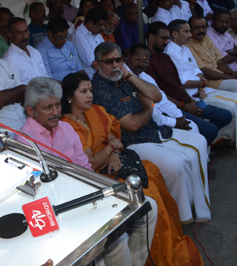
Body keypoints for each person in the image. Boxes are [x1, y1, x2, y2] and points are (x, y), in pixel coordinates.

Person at [60, 73, 205, 266]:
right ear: (70, 97)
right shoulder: (67, 125)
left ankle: (166, 245)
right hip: (96, 178)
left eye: (91, 91)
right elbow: (92, 162)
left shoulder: (97, 111)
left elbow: (115, 138)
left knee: (152, 175)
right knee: (146, 193)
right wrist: (111, 149)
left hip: (115, 164)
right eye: (83, 92)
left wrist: (112, 152)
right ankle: (154, 255)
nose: (89, 95)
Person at [16, 77, 157, 266]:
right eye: (47, 107)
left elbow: (84, 167)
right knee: (117, 238)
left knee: (148, 206)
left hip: (84, 192)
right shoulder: (23, 141)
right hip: (56, 207)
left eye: (57, 105)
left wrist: (103, 191)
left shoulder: (65, 128)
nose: (55, 112)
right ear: (31, 111)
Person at [90, 41, 211, 224]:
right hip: (133, 142)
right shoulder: (100, 88)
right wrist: (148, 107)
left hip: (153, 131)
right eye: (109, 62)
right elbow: (132, 124)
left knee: (199, 141)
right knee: (179, 163)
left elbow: (157, 95)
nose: (115, 65)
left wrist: (130, 76)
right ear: (97, 65)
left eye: (118, 60)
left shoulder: (123, 78)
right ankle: (181, 215)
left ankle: (197, 206)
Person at [144, 21, 233, 146]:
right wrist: (184, 106)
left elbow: (178, 85)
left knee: (226, 116)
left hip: (187, 100)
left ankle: (203, 143)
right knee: (211, 130)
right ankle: (200, 147)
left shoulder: (165, 57)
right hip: (173, 107)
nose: (166, 42)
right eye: (163, 38)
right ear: (152, 38)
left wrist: (191, 102)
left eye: (167, 38)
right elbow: (159, 94)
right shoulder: (147, 62)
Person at [187, 16, 237, 142]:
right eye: (196, 28)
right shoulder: (189, 45)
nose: (201, 30)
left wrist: (233, 73)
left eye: (203, 27)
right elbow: (204, 71)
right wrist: (230, 77)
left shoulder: (206, 39)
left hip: (221, 77)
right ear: (190, 30)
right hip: (210, 82)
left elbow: (220, 62)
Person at [126, 44, 201, 136]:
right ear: (128, 57)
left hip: (165, 118)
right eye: (138, 59)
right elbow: (150, 108)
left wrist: (179, 117)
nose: (141, 64)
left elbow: (163, 101)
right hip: (149, 125)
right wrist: (174, 122)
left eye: (146, 62)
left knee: (192, 126)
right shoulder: (125, 78)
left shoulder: (146, 77)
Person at [36, 16, 85, 82]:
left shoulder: (69, 45)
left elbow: (79, 68)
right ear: (50, 34)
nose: (65, 40)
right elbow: (47, 78)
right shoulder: (41, 50)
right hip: (58, 89)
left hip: (76, 85)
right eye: (61, 37)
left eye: (66, 36)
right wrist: (67, 88)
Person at [3, 18, 48, 85]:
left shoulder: (34, 51)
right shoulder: (10, 59)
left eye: (26, 31)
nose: (24, 36)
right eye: (19, 33)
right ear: (9, 35)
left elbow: (45, 77)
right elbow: (15, 90)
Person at [72, 7, 108, 77]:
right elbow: (94, 62)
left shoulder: (96, 33)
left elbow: (107, 50)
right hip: (91, 77)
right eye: (101, 25)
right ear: (91, 23)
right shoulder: (78, 37)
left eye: (104, 25)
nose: (103, 28)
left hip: (103, 71)